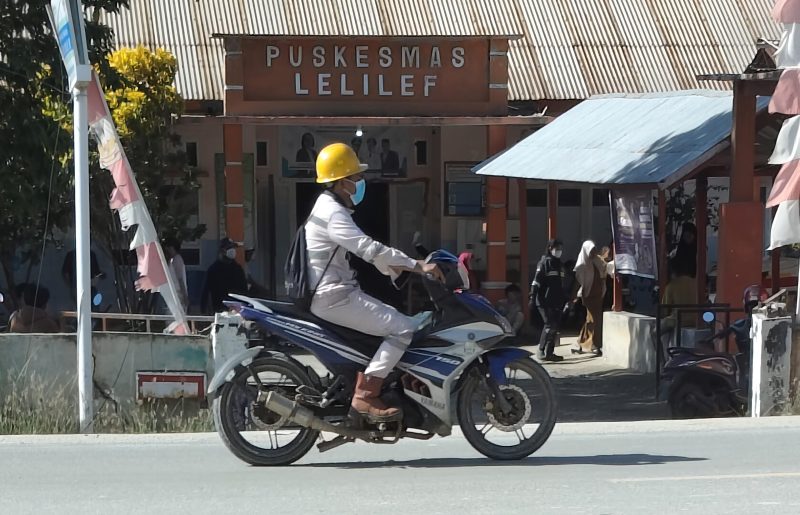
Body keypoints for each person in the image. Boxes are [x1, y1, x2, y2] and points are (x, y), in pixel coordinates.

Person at [306, 142, 443, 423]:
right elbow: (369, 249)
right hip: (334, 296)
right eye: (356, 178)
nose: (360, 183)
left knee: (390, 320)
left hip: (334, 291)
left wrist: (401, 268)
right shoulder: (334, 214)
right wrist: (417, 265)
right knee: (403, 328)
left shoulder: (327, 205)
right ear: (341, 181)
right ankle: (366, 396)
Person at [530, 239, 567, 362]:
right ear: (550, 248)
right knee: (549, 324)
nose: (559, 251)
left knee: (555, 326)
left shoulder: (560, 265)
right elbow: (537, 281)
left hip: (557, 301)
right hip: (544, 300)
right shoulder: (545, 263)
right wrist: (532, 295)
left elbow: (561, 284)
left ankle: (550, 352)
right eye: (557, 248)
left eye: (561, 248)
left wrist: (565, 299)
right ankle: (541, 350)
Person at [573, 240, 605, 356]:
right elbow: (578, 282)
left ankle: (581, 342)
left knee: (592, 320)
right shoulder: (582, 265)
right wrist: (573, 297)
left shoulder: (597, 261)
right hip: (588, 295)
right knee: (593, 320)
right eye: (591, 250)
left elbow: (603, 272)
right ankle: (595, 345)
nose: (593, 252)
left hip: (598, 294)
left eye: (594, 250)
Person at [201, 238, 248, 313]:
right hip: (219, 310)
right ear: (222, 250)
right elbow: (206, 292)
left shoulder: (237, 269)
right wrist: (204, 310)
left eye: (233, 248)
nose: (233, 250)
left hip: (237, 310)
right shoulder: (213, 269)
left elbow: (244, 290)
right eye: (229, 248)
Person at [163, 238, 189, 312]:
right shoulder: (172, 260)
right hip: (174, 294)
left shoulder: (177, 259)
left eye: (169, 248)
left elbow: (180, 279)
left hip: (178, 295)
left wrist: (184, 296)